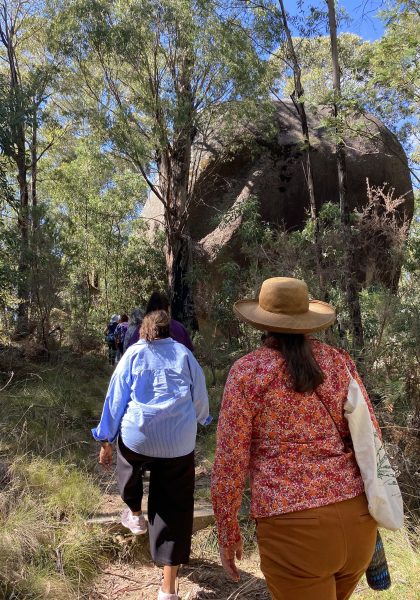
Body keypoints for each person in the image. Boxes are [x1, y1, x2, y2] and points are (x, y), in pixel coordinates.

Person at [211, 277, 379, 600]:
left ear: (263, 322)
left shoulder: (247, 373)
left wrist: (227, 529)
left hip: (294, 532)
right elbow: (371, 434)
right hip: (358, 523)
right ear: (306, 320)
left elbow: (230, 461)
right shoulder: (338, 362)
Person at [92, 310, 210, 600]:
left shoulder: (133, 355)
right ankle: (168, 589)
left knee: (128, 460)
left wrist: (105, 438)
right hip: (178, 443)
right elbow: (200, 397)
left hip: (138, 436)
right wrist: (202, 419)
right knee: (175, 508)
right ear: (169, 331)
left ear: (143, 330)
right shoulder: (184, 354)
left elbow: (116, 398)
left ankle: (135, 514)